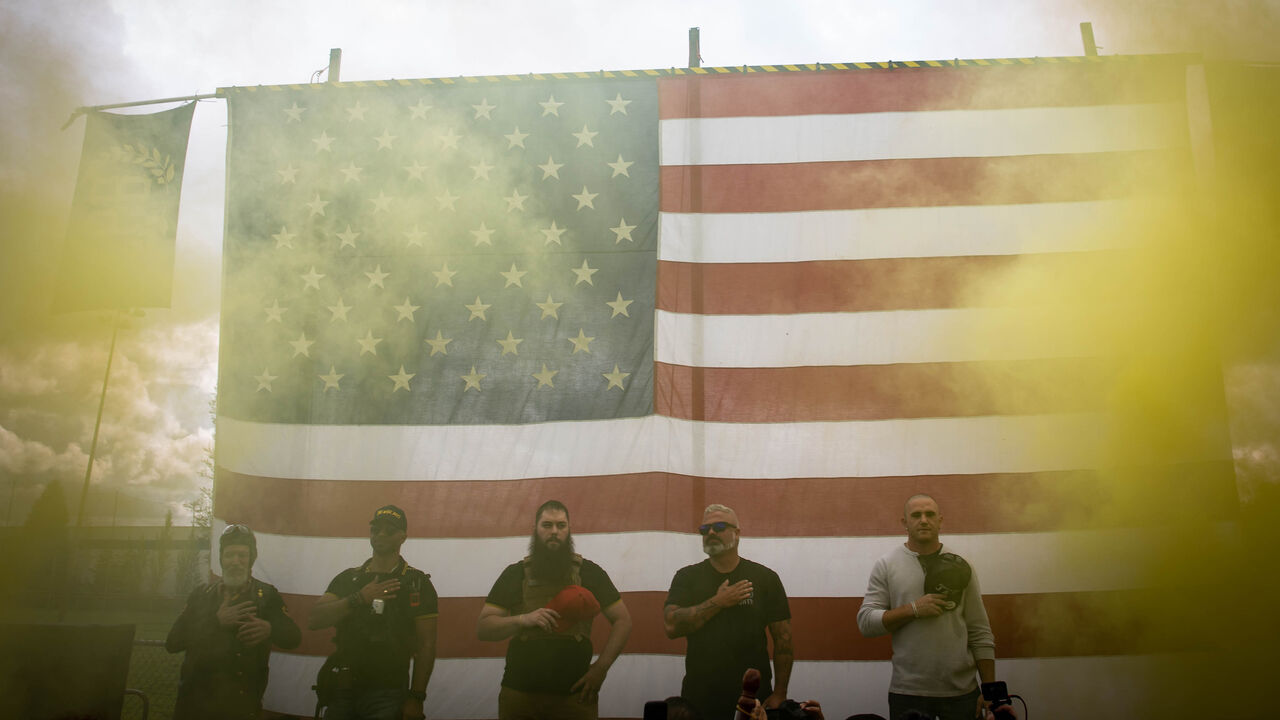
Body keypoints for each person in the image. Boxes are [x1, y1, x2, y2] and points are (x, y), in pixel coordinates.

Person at [477, 499, 633, 720]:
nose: (554, 531)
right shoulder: (515, 574)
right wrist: (523, 619)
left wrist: (600, 669)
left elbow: (623, 621)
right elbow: (483, 628)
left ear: (569, 530)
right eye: (547, 525)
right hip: (520, 695)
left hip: (575, 698)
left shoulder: (590, 572)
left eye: (561, 526)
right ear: (535, 529)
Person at [855, 494, 996, 720]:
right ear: (904, 523)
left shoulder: (962, 565)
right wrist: (914, 609)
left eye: (930, 514)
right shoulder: (887, 564)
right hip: (908, 692)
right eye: (916, 515)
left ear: (940, 520)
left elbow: (980, 632)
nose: (923, 520)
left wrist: (991, 692)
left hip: (961, 693)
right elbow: (866, 623)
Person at [663, 504, 793, 720]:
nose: (711, 533)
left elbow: (784, 641)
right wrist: (718, 602)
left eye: (719, 527)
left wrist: (780, 693)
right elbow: (671, 626)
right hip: (700, 698)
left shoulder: (765, 578)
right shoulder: (687, 577)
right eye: (705, 529)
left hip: (754, 697)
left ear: (737, 533)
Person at [309, 505, 438, 720]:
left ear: (403, 537)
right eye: (375, 529)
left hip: (388, 692)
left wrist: (416, 698)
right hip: (343, 687)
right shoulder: (349, 579)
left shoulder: (417, 583)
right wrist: (359, 598)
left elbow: (427, 645)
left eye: (389, 530)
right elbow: (315, 620)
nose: (380, 534)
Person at [165, 523, 301, 720]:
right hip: (194, 705)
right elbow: (173, 642)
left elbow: (294, 637)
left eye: (242, 555)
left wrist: (270, 628)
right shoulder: (201, 595)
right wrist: (216, 621)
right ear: (221, 559)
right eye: (229, 555)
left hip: (242, 706)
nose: (235, 561)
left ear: (251, 559)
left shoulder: (267, 596)